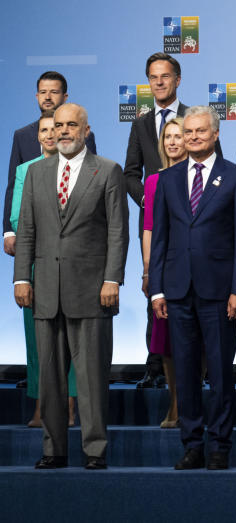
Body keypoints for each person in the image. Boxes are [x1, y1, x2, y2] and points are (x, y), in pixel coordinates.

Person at [14, 103, 129, 470]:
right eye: (58, 125)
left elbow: (117, 231)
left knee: (92, 379)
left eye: (71, 125)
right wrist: (21, 277)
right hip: (45, 288)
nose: (64, 131)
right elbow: (27, 229)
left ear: (86, 129)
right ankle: (54, 449)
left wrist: (113, 279)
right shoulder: (35, 173)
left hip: (93, 290)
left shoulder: (108, 170)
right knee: (49, 377)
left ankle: (94, 451)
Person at [149, 105, 236, 471]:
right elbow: (160, 239)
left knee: (221, 374)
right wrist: (158, 290)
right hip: (177, 292)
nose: (193, 137)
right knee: (186, 371)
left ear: (215, 134)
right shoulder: (167, 179)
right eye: (188, 132)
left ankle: (220, 445)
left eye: (200, 131)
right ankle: (192, 443)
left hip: (220, 293)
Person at [124, 52, 222, 390]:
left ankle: (202, 370)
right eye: (153, 77)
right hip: (154, 223)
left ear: (177, 80)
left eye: (165, 76)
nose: (159, 82)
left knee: (198, 297)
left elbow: (216, 169)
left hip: (196, 224)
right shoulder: (139, 124)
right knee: (156, 291)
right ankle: (155, 366)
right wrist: (150, 201)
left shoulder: (196, 119)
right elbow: (130, 174)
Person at [10, 113, 77, 428]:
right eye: (45, 130)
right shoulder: (26, 170)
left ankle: (71, 405)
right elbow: (18, 220)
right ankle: (40, 407)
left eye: (57, 128)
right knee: (37, 342)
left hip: (75, 264)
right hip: (38, 263)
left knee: (74, 338)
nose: (51, 134)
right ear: (37, 136)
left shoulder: (81, 167)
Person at [5, 71, 97, 259]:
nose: (47, 97)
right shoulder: (22, 136)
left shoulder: (85, 136)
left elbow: (92, 183)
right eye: (43, 92)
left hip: (73, 230)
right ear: (37, 96)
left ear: (65, 97)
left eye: (53, 92)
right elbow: (14, 185)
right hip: (31, 232)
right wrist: (9, 231)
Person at [141, 117, 187, 429]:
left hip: (195, 268)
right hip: (164, 271)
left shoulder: (199, 177)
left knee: (194, 343)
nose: (172, 142)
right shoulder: (153, 181)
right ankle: (174, 403)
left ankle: (189, 404)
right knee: (167, 343)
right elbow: (149, 230)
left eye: (178, 136)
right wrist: (148, 272)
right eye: (167, 136)